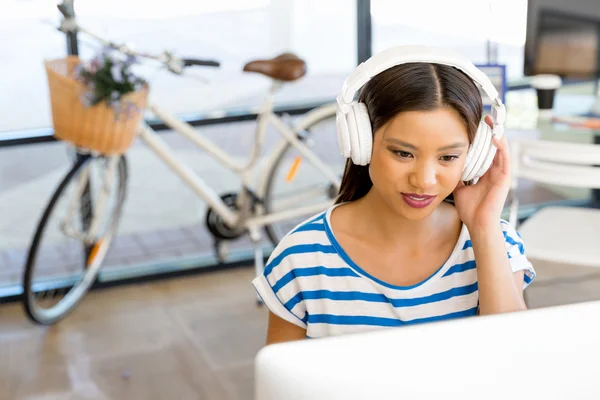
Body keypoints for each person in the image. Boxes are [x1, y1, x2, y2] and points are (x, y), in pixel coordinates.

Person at [251, 46, 536, 344]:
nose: (424, 180)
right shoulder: (302, 257)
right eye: (403, 153)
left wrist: (484, 226)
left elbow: (512, 358)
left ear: (475, 156)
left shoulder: (496, 243)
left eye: (448, 157)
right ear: (360, 142)